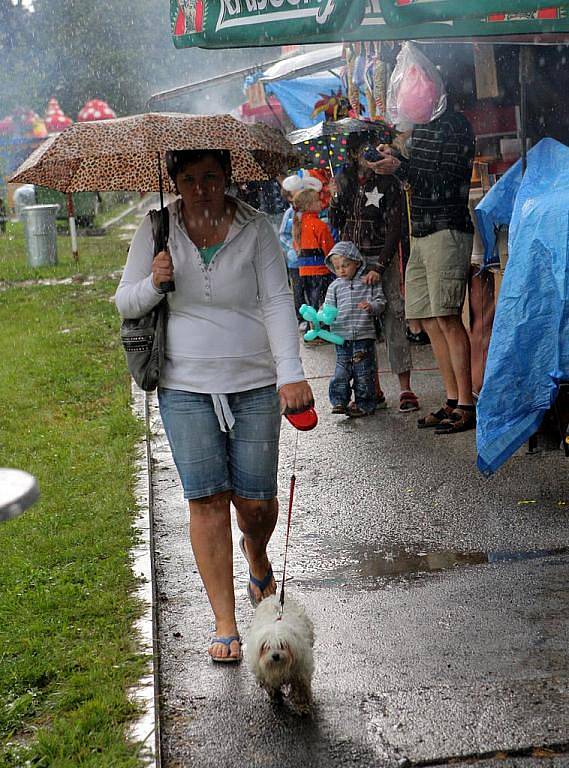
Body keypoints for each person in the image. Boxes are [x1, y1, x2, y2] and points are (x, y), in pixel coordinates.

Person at [115, 149, 313, 663]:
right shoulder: (157, 228)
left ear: (227, 177)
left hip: (253, 379)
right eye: (188, 179)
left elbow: (276, 299)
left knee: (255, 503)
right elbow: (125, 302)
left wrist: (291, 373)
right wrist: (154, 283)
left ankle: (258, 553)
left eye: (210, 178)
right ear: (174, 181)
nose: (200, 189)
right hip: (184, 382)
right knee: (205, 501)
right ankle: (225, 620)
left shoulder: (256, 227)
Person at [372, 98, 476, 434]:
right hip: (420, 230)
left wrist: (400, 166)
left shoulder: (453, 125)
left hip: (447, 226)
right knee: (429, 318)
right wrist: (396, 159)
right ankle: (450, 399)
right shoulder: (420, 130)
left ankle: (466, 403)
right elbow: (417, 176)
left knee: (446, 316)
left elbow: (443, 180)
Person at [329, 135, 419, 413]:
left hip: (382, 255)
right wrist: (334, 196)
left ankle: (405, 387)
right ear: (353, 154)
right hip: (351, 258)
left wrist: (381, 265)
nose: (366, 156)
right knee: (358, 322)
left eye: (369, 149)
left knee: (392, 314)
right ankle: (371, 388)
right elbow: (335, 221)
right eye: (360, 151)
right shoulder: (343, 178)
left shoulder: (387, 180)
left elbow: (396, 226)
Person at [325, 241, 386, 417]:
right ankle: (339, 401)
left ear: (357, 262)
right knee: (341, 371)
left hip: (363, 335)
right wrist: (323, 316)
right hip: (341, 337)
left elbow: (381, 302)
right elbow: (328, 308)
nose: (342, 270)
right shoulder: (334, 287)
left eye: (345, 265)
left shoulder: (367, 282)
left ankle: (364, 404)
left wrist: (372, 306)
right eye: (337, 267)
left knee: (364, 372)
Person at [292, 187, 335, 337]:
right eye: (317, 200)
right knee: (324, 302)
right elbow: (329, 249)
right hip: (321, 270)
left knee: (312, 302)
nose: (321, 203)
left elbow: (295, 246)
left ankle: (314, 329)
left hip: (305, 271)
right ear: (309, 206)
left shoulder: (298, 225)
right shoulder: (319, 225)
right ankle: (322, 332)